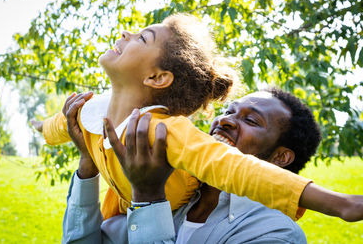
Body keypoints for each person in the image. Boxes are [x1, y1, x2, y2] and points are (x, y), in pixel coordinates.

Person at [34, 13, 360, 222]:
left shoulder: (166, 131)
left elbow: (237, 168)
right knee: (112, 223)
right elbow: (60, 126)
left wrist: (341, 204)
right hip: (118, 206)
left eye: (142, 38)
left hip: (158, 204)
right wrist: (40, 129)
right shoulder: (91, 109)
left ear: (157, 78)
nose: (125, 33)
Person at [62, 88, 363, 243]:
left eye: (250, 120)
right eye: (228, 111)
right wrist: (89, 162)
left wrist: (148, 195)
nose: (225, 120)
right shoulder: (174, 191)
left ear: (280, 158)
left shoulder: (274, 233)